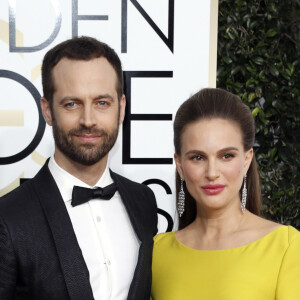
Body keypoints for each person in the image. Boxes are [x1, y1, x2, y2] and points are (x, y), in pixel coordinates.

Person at [0, 36, 157, 300]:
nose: (88, 120)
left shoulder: (143, 201)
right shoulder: (8, 218)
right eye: (72, 103)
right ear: (48, 111)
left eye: (102, 103)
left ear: (121, 109)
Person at [151, 88, 300, 300]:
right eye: (197, 157)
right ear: (180, 165)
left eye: (226, 156)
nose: (212, 173)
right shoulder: (157, 252)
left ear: (247, 160)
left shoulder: (286, 247)